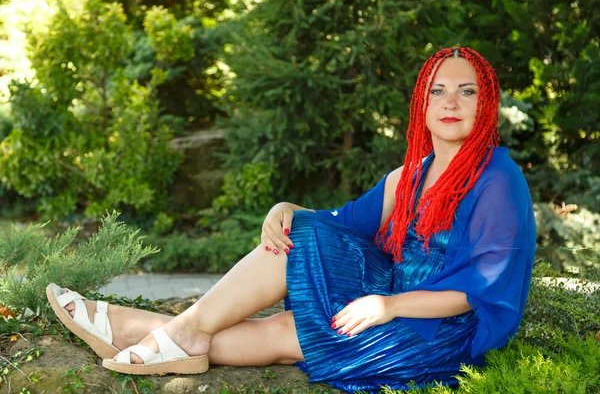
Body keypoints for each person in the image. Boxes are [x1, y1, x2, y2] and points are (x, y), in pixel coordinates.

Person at [46, 47, 536, 393]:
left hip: (438, 332)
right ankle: (171, 334)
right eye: (438, 91)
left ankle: (139, 329)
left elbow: (479, 290)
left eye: (466, 92)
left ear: (484, 103)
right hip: (388, 298)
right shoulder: (405, 177)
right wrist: (288, 210)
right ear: (422, 105)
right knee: (295, 251)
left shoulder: (498, 179)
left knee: (287, 332)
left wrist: (388, 307)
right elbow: (340, 226)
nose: (450, 103)